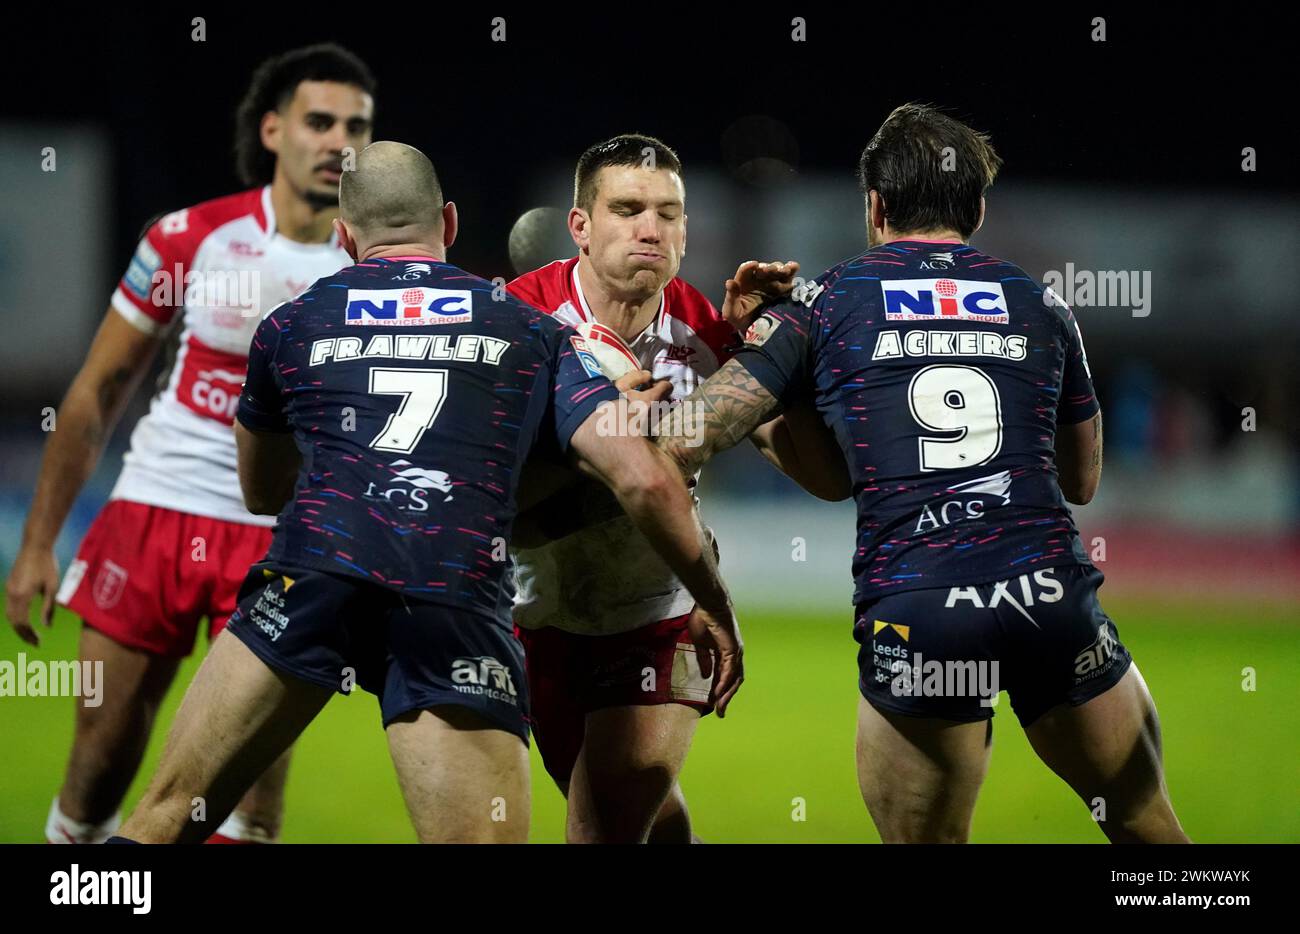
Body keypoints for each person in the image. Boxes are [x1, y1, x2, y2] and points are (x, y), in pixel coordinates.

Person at [113, 141, 741, 844]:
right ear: (448, 222)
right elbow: (643, 478)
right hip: (449, 590)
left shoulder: (289, 325)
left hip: (315, 574)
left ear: (344, 237)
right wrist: (714, 599)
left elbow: (261, 492)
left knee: (164, 816)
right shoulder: (529, 329)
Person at [654, 104, 1189, 843]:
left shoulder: (823, 304)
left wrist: (749, 353)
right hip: (1048, 593)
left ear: (873, 205)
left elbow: (687, 439)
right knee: (1145, 825)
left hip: (923, 608)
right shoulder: (1042, 305)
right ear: (974, 208)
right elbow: (1082, 479)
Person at [4, 43, 376, 844]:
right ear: (274, 130)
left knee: (246, 810)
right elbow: (97, 392)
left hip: (284, 546)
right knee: (93, 785)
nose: (339, 141)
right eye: (320, 120)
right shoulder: (189, 238)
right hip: (155, 516)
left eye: (357, 126)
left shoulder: (376, 271)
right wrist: (38, 545)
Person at [507, 133, 846, 843]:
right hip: (535, 623)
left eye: (669, 212)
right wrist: (591, 442)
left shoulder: (705, 329)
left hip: (665, 621)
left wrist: (777, 352)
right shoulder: (519, 320)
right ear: (580, 226)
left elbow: (823, 476)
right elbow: (488, 500)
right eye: (627, 208)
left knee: (600, 827)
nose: (650, 228)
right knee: (653, 827)